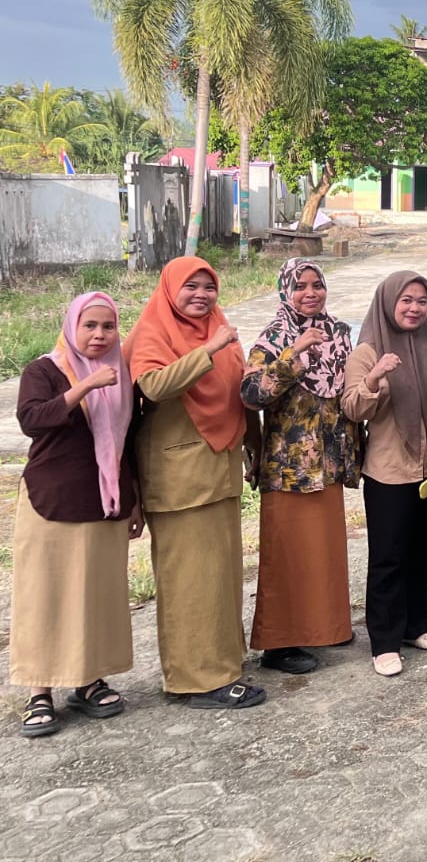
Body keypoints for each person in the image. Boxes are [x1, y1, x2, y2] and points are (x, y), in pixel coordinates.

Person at [127, 257, 264, 709]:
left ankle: (222, 666)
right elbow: (152, 385)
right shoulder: (154, 330)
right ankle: (195, 679)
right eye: (191, 286)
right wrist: (208, 351)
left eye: (209, 286)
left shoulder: (216, 325)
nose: (202, 295)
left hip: (219, 470)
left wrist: (253, 442)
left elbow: (236, 389)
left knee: (220, 577)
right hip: (179, 479)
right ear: (171, 289)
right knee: (189, 581)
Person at [12, 293, 141, 737]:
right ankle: (39, 691)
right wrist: (84, 387)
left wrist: (134, 500)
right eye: (90, 325)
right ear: (72, 326)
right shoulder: (44, 370)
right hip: (51, 501)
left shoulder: (122, 376)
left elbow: (128, 442)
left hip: (103, 503)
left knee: (95, 596)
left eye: (108, 326)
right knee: (44, 595)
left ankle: (88, 681)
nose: (99, 335)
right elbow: (32, 419)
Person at [240, 259, 360, 677]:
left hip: (328, 464)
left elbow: (345, 393)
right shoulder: (274, 336)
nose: (311, 293)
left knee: (323, 552)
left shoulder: (338, 331)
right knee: (287, 555)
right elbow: (251, 394)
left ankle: (325, 628)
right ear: (285, 291)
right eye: (301, 286)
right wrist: (294, 355)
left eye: (317, 285)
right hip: (289, 468)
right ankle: (279, 644)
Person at [341, 271, 427, 677]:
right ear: (388, 302)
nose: (414, 308)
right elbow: (352, 408)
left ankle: (413, 626)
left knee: (425, 552)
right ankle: (385, 642)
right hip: (389, 472)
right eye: (406, 300)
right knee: (388, 558)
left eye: (421, 300)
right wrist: (375, 377)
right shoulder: (367, 352)